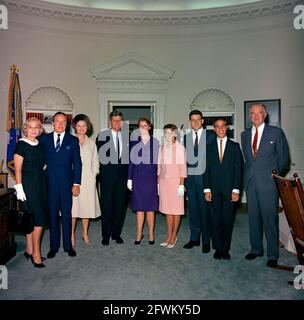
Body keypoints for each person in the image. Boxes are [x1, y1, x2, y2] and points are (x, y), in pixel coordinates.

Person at [241, 103, 289, 267]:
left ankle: (272, 254)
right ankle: (256, 249)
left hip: (268, 182)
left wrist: (275, 172)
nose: (255, 116)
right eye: (252, 113)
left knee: (270, 218)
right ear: (249, 116)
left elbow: (284, 158)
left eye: (259, 113)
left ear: (265, 114)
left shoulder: (276, 133)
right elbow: (248, 159)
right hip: (251, 181)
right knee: (253, 218)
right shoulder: (244, 134)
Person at [39, 112, 82, 259]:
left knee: (66, 215)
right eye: (58, 121)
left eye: (64, 122)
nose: (61, 124)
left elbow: (77, 163)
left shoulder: (73, 140)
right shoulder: (44, 140)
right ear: (53, 123)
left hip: (66, 185)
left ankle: (68, 246)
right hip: (49, 184)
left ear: (67, 124)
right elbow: (38, 159)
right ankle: (53, 246)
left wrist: (76, 183)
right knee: (52, 216)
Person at [203, 118, 243, 260]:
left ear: (227, 128)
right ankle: (217, 248)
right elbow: (205, 170)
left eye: (223, 127)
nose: (220, 129)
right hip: (213, 190)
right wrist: (206, 189)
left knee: (227, 220)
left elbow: (238, 170)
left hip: (229, 190)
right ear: (214, 129)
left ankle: (225, 249)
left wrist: (236, 190)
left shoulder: (235, 146)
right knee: (215, 220)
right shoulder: (208, 147)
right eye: (217, 127)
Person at [13, 117, 48, 268]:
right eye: (30, 127)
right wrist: (19, 187)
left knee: (32, 218)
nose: (33, 129)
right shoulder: (21, 145)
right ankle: (36, 254)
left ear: (40, 129)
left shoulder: (40, 145)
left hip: (40, 183)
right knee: (39, 219)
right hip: (27, 185)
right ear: (25, 129)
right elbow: (18, 169)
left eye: (36, 127)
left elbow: (42, 164)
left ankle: (29, 249)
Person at [183, 110, 215, 253]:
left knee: (205, 211)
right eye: (192, 120)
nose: (195, 122)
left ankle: (206, 240)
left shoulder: (212, 136)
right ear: (190, 122)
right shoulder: (185, 138)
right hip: (190, 180)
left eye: (198, 119)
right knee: (193, 210)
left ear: (202, 121)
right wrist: (182, 182)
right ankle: (194, 238)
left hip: (205, 180)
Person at [96, 111, 129, 246]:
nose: (117, 123)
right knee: (107, 206)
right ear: (110, 121)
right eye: (114, 121)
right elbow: (99, 157)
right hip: (107, 177)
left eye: (119, 121)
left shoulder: (127, 136)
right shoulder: (102, 135)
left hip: (122, 178)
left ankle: (116, 234)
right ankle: (106, 235)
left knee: (120, 207)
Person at [128, 117, 159, 245]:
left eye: (145, 125)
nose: (143, 127)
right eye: (140, 125)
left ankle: (151, 233)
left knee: (150, 208)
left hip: (151, 178)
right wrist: (129, 178)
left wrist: (158, 179)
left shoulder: (156, 142)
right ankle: (139, 233)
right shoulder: (134, 142)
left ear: (149, 127)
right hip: (138, 178)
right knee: (140, 208)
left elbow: (159, 162)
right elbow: (131, 162)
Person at [71, 114, 101, 247]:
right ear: (74, 127)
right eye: (79, 125)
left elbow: (95, 161)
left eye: (84, 125)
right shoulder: (70, 141)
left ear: (87, 127)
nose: (81, 128)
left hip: (88, 180)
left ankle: (84, 233)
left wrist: (93, 175)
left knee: (86, 209)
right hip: (73, 180)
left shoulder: (92, 143)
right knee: (73, 209)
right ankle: (71, 234)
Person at [158, 124, 187, 248]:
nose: (168, 135)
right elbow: (158, 167)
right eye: (166, 133)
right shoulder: (162, 148)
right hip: (164, 183)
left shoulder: (180, 148)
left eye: (171, 133)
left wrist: (181, 185)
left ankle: (174, 236)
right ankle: (169, 235)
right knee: (168, 211)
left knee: (176, 211)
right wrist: (158, 184)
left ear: (175, 134)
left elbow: (183, 168)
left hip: (176, 183)